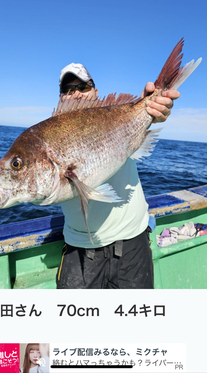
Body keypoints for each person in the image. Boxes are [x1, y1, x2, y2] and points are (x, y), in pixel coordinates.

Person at [56, 63, 180, 289]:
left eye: (82, 87)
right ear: (61, 98)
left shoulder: (116, 115)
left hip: (133, 243)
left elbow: (137, 113)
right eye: (67, 90)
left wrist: (150, 108)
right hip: (79, 247)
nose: (75, 94)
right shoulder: (52, 135)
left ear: (95, 91)